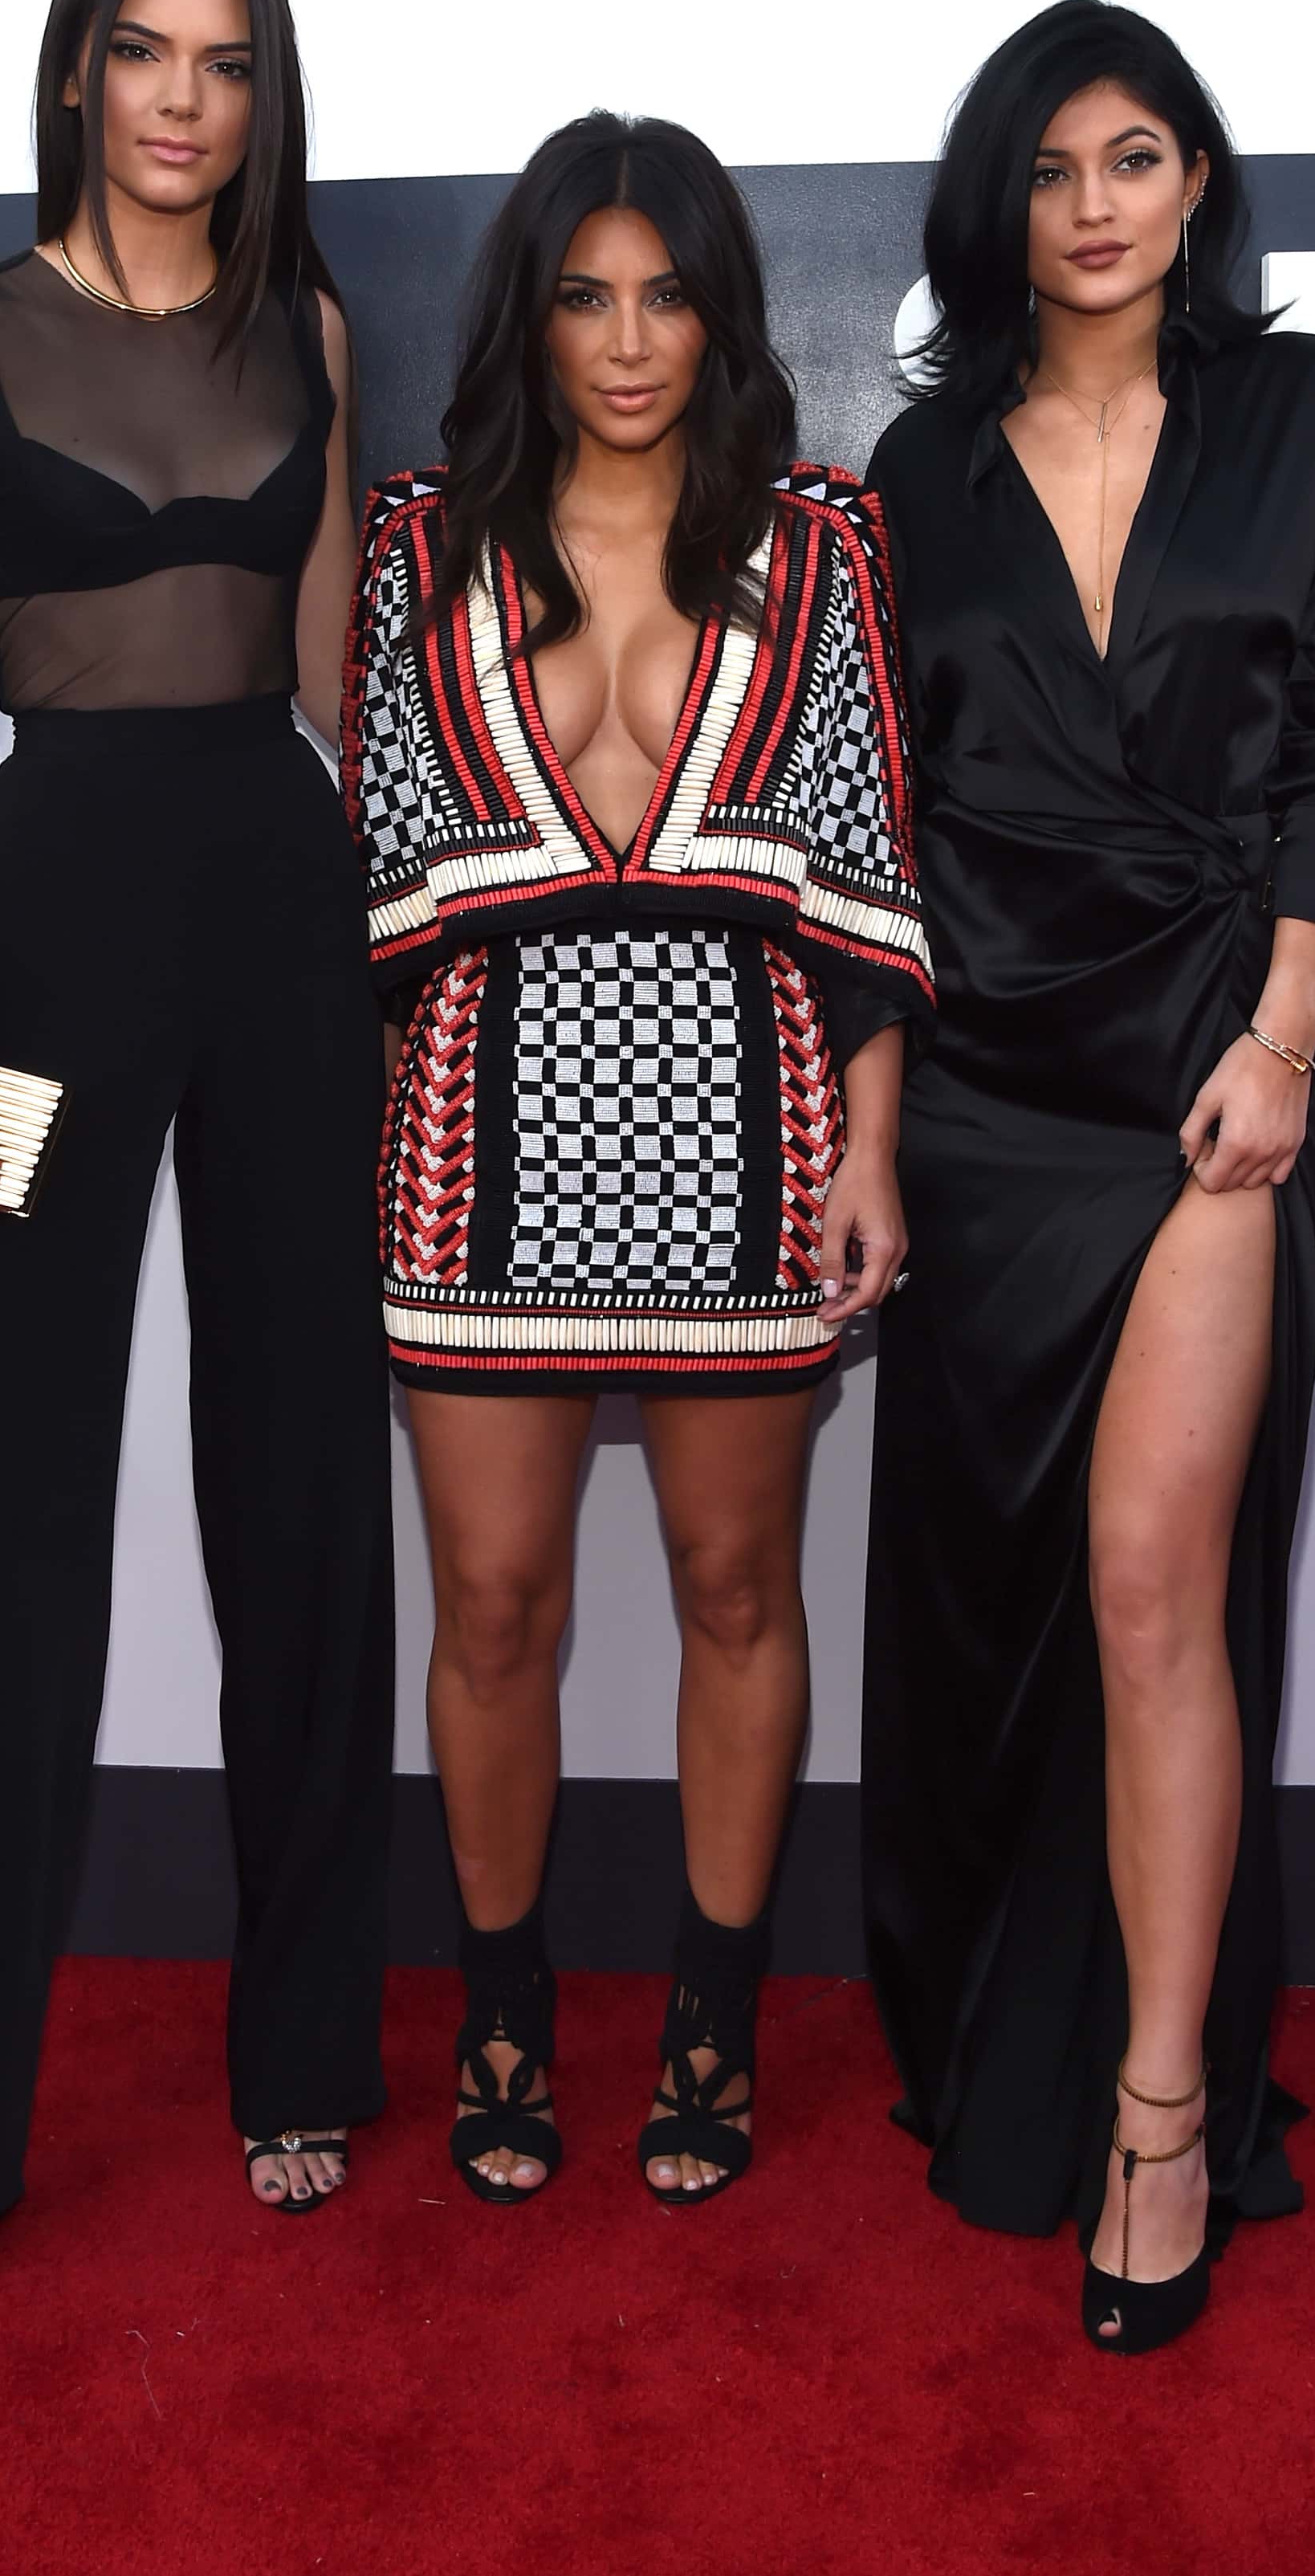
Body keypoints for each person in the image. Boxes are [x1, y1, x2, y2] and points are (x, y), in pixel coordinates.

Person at [0, 0, 393, 2298]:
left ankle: (302, 2057)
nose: (185, 102)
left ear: (260, 94)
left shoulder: (313, 332)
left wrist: (388, 961)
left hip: (281, 927)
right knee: (8, 1521)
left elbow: (340, 701)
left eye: (228, 63)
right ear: (79, 64)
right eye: (147, 54)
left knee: (295, 1487)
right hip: (44, 944)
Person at [862, 0, 1315, 2352]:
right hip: (985, 1085)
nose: (1097, 202)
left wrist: (1283, 1035)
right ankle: (1024, 2028)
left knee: (1144, 1577)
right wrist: (878, 1133)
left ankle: (1166, 2110)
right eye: (1056, 165)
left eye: (1141, 155)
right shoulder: (917, 471)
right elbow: (872, 830)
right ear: (1002, 202)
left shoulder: (1306, 414)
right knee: (1010, 1600)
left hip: (1210, 1070)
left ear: (1199, 185)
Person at [344, 114, 935, 2208]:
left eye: (666, 291)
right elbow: (389, 905)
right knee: (493, 1601)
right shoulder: (423, 545)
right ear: (531, 310)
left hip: (753, 1148)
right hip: (474, 1158)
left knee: (730, 1589)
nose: (626, 338)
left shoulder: (820, 546)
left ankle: (710, 2008)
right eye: (585, 293)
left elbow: (862, 881)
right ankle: (504, 2000)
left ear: (723, 312)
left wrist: (869, 1154)